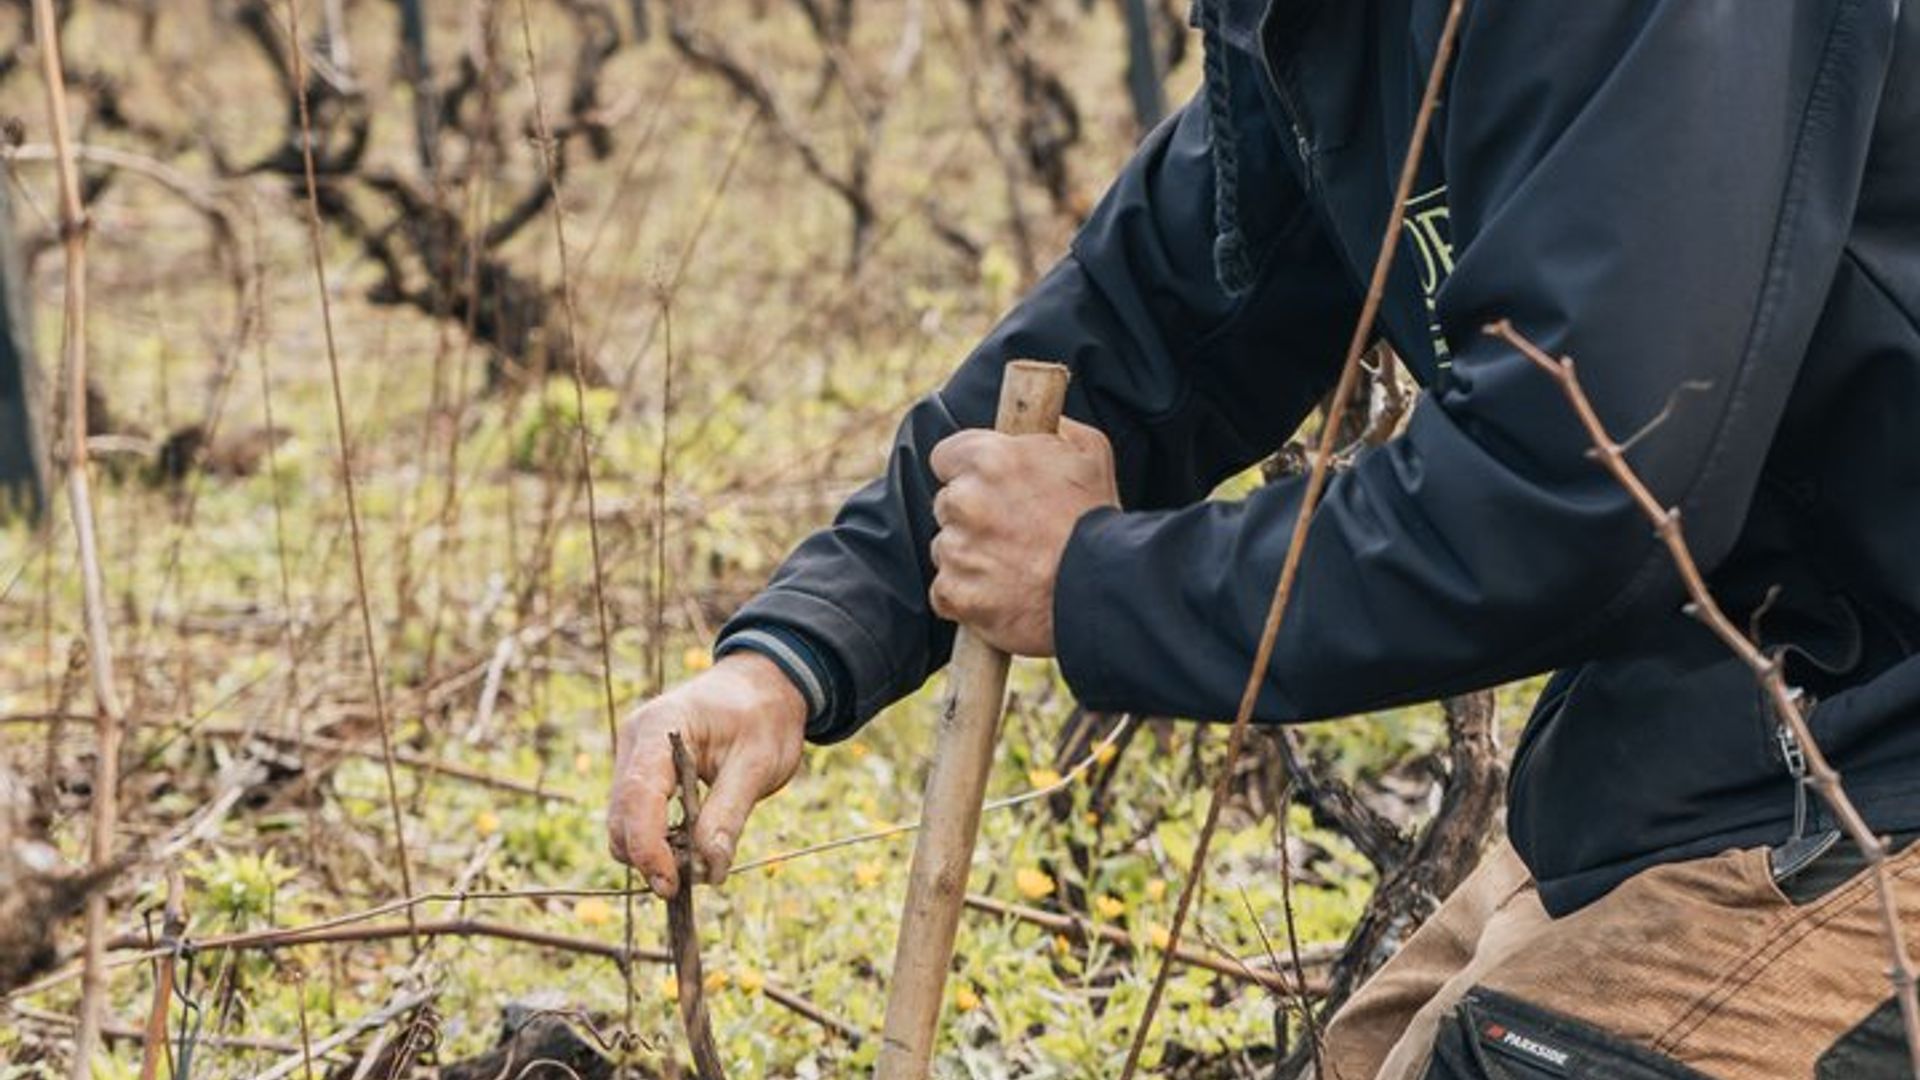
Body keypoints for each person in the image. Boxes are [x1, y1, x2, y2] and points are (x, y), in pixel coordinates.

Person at [608, 0, 1920, 1075]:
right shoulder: (1327, 24)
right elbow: (1145, 323)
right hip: (1738, 711)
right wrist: (787, 657)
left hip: (1883, 742)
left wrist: (1091, 585)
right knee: (1377, 1052)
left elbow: (1585, 496)